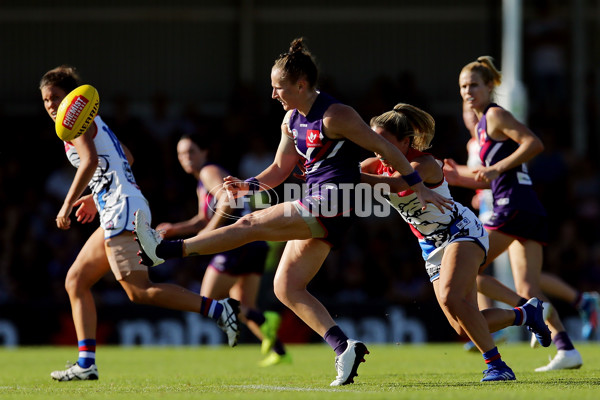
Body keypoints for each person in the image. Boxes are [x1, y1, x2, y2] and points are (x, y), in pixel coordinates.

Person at [133, 37, 453, 386]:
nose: (274, 95)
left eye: (278, 88)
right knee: (286, 287)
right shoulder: (291, 119)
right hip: (320, 203)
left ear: (301, 85)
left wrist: (416, 184)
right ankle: (344, 348)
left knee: (250, 222)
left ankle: (164, 250)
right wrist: (248, 185)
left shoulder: (336, 115)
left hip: (334, 200)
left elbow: (382, 148)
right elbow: (279, 169)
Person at [39, 66, 241, 382]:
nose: (51, 105)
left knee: (140, 292)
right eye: (45, 100)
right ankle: (86, 363)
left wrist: (68, 203)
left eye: (55, 98)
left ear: (73, 99)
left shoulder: (76, 122)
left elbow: (91, 161)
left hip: (121, 209)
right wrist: (97, 195)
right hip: (119, 206)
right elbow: (127, 157)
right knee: (75, 280)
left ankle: (219, 310)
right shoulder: (93, 121)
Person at [360, 103, 552, 381]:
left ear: (405, 141)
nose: (379, 151)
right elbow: (350, 171)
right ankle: (526, 314)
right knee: (462, 327)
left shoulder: (424, 164)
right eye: (375, 143)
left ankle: (498, 366)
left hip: (460, 231)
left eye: (385, 143)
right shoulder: (376, 164)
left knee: (452, 298)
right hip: (430, 246)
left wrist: (348, 174)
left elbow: (397, 185)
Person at [443, 56, 583, 371]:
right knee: (528, 285)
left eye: (474, 85)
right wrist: (456, 176)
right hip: (526, 206)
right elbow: (488, 176)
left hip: (513, 207)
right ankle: (566, 348)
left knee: (470, 270)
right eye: (463, 87)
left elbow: (534, 144)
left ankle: (526, 312)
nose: (468, 92)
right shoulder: (481, 125)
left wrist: (497, 168)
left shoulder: (494, 116)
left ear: (490, 87)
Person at [155, 133, 289, 366]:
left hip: (235, 242)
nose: (185, 158)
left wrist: (208, 236)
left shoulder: (208, 171)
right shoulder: (202, 180)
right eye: (180, 154)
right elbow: (202, 218)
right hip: (253, 242)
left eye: (190, 152)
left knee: (209, 298)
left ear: (204, 153)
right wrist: (175, 229)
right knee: (244, 305)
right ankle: (279, 351)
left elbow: (228, 200)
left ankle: (265, 319)